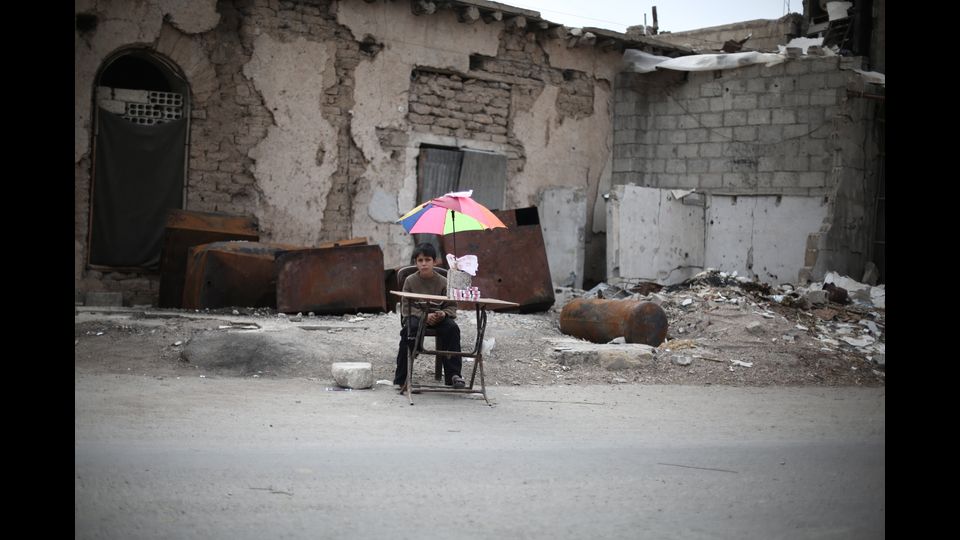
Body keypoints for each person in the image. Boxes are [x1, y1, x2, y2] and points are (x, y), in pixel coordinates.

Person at [394, 242, 464, 392]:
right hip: (416, 317)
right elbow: (406, 307)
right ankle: (403, 379)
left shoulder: (444, 282)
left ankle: (454, 375)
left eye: (427, 260)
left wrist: (443, 314)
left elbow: (451, 305)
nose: (424, 264)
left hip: (438, 318)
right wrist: (424, 317)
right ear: (415, 263)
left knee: (452, 329)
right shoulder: (410, 281)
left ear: (434, 261)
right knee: (409, 331)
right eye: (420, 260)